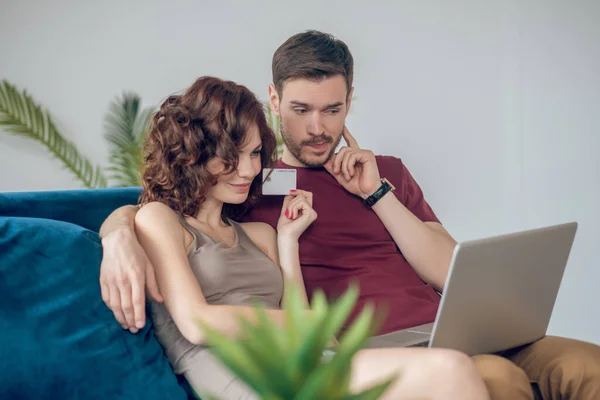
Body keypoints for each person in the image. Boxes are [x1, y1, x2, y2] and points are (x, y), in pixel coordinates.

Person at [99, 32, 600, 400]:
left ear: (350, 101)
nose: (318, 129)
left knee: (588, 365)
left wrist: (376, 192)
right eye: (301, 110)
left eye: (333, 110)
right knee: (500, 380)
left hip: (453, 329)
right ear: (273, 101)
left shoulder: (385, 173)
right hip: (377, 348)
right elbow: (168, 207)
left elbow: (450, 272)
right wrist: (117, 230)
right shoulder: (251, 186)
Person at [121, 75, 489, 399]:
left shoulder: (261, 234)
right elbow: (196, 323)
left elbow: (302, 317)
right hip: (253, 376)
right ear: (192, 153)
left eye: (254, 154)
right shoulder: (160, 219)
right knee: (450, 371)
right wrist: (311, 325)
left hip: (308, 363)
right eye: (231, 156)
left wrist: (288, 242)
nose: (249, 170)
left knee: (454, 370)